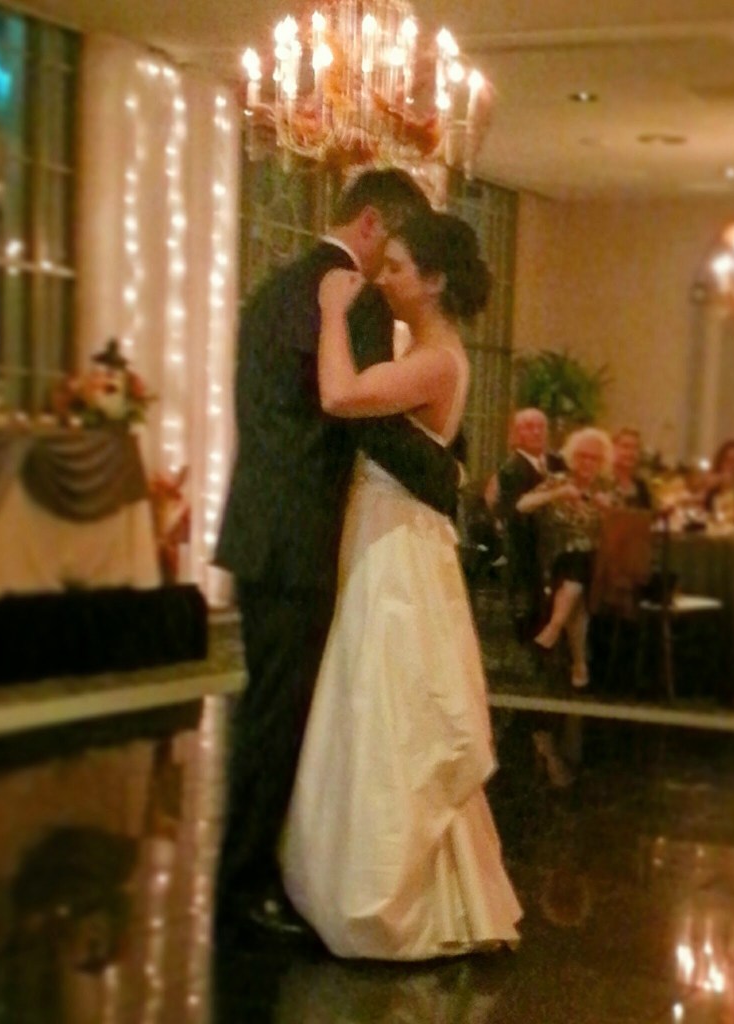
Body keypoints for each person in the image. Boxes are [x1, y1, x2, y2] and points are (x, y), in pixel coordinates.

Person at [213, 171, 461, 940]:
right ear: (372, 222)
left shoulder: (273, 288)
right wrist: (446, 474)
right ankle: (243, 887)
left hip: (260, 526)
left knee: (267, 709)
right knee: (277, 716)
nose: (396, 266)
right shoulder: (343, 295)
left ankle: (252, 872)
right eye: (398, 243)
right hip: (299, 540)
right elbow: (359, 413)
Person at [279, 211, 522, 959]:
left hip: (398, 547)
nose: (382, 278)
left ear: (436, 280)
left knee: (388, 704)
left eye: (396, 268)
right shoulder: (423, 348)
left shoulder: (438, 358)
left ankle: (383, 898)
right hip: (386, 532)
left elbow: (340, 395)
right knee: (374, 696)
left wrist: (328, 311)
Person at [517, 427, 615, 688]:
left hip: (598, 567)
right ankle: (579, 663)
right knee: (575, 583)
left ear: (602, 461)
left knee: (580, 564)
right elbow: (522, 505)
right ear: (572, 456)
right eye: (582, 455)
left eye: (594, 458)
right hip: (557, 560)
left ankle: (553, 629)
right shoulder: (558, 481)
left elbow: (628, 530)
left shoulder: (606, 489)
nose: (587, 462)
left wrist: (610, 512)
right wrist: (556, 494)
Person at [496, 408, 567, 642]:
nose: (536, 432)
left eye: (541, 426)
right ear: (517, 434)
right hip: (527, 548)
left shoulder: (557, 462)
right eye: (529, 427)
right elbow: (515, 510)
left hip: (559, 543)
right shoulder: (512, 468)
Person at [609, 426, 653, 509]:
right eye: (625, 447)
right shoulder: (603, 482)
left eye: (635, 448)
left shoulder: (642, 488)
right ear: (613, 448)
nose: (631, 453)